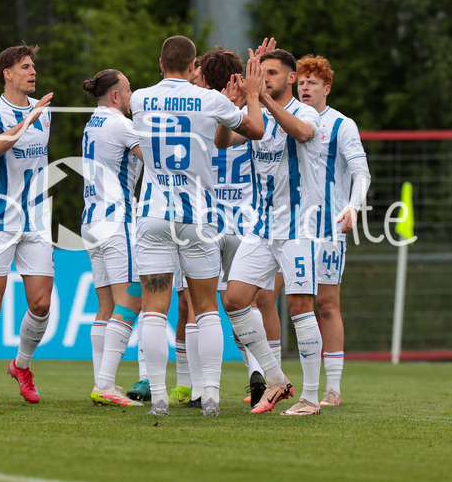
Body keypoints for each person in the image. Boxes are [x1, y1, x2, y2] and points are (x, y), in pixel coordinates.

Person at [130, 35, 268, 417]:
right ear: (194, 66)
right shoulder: (211, 100)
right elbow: (254, 130)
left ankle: (159, 396)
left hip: (155, 214)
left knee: (155, 310)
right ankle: (210, 394)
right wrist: (251, 94)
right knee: (207, 308)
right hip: (199, 217)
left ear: (160, 63)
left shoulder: (139, 97)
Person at [217, 47, 323, 416]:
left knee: (299, 307)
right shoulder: (256, 113)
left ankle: (311, 398)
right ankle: (276, 379)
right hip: (261, 227)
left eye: (274, 73)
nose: (267, 79)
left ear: (291, 78)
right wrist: (231, 107)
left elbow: (305, 134)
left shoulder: (303, 111)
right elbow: (222, 142)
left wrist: (259, 97)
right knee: (234, 300)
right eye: (262, 73)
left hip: (299, 227)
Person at [0, 44, 54, 405]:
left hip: (36, 219)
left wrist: (35, 116)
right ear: (7, 74)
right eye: (25, 67)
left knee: (41, 304)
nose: (32, 72)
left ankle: (21, 365)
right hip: (0, 218)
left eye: (33, 66)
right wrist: (28, 120)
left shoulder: (45, 114)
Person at [296, 55, 371, 406]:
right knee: (284, 299)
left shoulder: (342, 125)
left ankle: (333, 387)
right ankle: (272, 379)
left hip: (327, 227)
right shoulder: (288, 118)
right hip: (288, 225)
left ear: (327, 88)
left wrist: (353, 207)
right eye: (301, 82)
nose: (305, 87)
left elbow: (361, 172)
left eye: (312, 82)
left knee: (326, 304)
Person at [80, 69, 144, 407]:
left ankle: (102, 383)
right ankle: (105, 384)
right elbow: (156, 161)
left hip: (91, 220)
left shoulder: (93, 122)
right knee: (131, 300)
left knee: (106, 305)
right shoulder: (120, 124)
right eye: (129, 89)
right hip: (117, 220)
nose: (132, 96)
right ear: (116, 96)